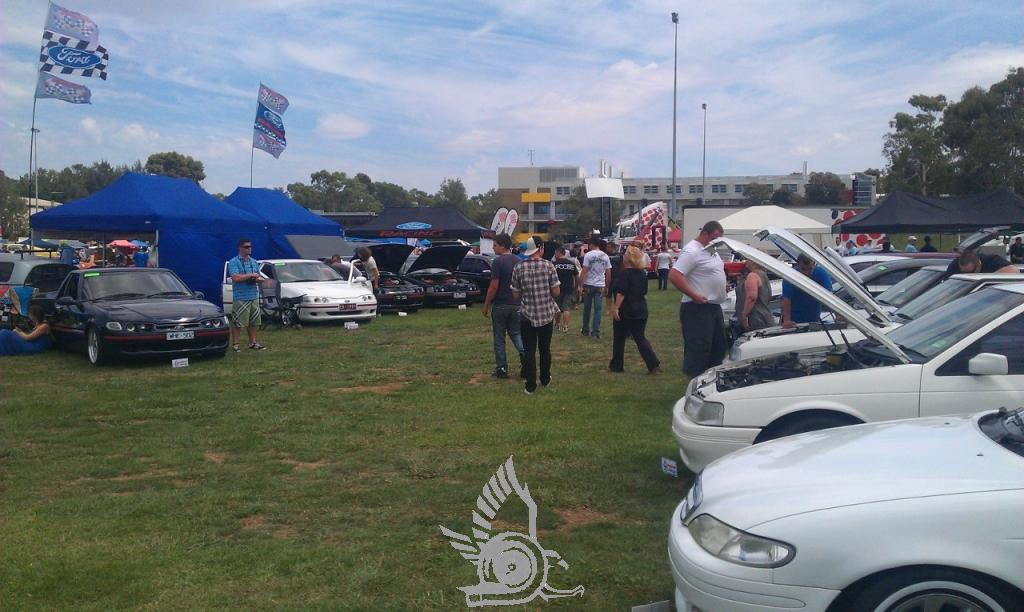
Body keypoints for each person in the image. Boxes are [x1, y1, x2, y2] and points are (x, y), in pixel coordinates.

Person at [669, 221, 727, 378]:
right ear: (705, 233)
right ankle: (694, 382)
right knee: (699, 347)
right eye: (714, 238)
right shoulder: (692, 251)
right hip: (697, 307)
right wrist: (694, 295)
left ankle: (711, 380)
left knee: (718, 346)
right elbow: (675, 275)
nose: (716, 242)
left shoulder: (711, 250)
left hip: (713, 306)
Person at [511, 236, 561, 394]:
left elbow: (515, 295)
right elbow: (556, 291)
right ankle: (545, 378)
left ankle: (530, 385)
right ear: (540, 248)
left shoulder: (519, 267)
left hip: (527, 314)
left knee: (529, 350)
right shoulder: (548, 266)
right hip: (545, 313)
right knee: (545, 349)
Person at [609, 246, 660, 374]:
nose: (623, 256)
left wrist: (616, 308)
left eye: (625, 254)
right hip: (641, 308)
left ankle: (617, 365)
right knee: (640, 337)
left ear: (630, 258)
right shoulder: (642, 274)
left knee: (619, 338)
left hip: (626, 309)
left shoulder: (625, 274)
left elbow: (621, 293)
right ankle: (653, 364)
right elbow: (644, 291)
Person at [481, 233, 525, 379]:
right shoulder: (519, 261)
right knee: (517, 334)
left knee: (499, 337)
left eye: (495, 245)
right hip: (517, 304)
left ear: (502, 246)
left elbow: (494, 286)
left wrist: (486, 304)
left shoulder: (498, 262)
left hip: (501, 304)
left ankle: (502, 368)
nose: (493, 248)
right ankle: (525, 358)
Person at [227, 237, 266, 352]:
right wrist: (250, 275)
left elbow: (258, 276)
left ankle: (253, 343)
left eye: (250, 246)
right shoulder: (234, 262)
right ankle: (235, 344)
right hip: (240, 296)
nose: (249, 249)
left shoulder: (253, 261)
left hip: (253, 295)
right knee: (238, 322)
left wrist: (258, 279)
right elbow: (235, 277)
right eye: (246, 247)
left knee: (254, 321)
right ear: (240, 248)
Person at [782, 253, 833, 328]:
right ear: (797, 265)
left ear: (814, 265)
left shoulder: (821, 273)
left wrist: (839, 314)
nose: (806, 273)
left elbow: (830, 296)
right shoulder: (791, 276)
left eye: (809, 269)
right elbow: (786, 299)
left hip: (814, 320)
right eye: (803, 269)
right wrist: (786, 321)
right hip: (794, 322)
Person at [577, 237, 611, 339]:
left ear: (592, 244)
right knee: (598, 309)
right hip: (600, 285)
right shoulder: (605, 256)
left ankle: (585, 330)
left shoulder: (588, 255)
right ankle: (595, 332)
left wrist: (580, 285)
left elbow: (584, 271)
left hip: (588, 284)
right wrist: (607, 286)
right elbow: (608, 272)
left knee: (587, 308)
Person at [736, 259, 774, 332]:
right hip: (765, 316)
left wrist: (744, 316)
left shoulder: (752, 275)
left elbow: (751, 297)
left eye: (748, 259)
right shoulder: (763, 275)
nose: (746, 261)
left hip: (755, 318)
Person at [552, 246, 578, 333]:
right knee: (567, 308)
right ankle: (565, 327)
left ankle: (557, 324)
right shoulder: (571, 263)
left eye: (555, 253)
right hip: (569, 288)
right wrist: (576, 287)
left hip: (557, 288)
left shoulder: (554, 264)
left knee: (557, 308)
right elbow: (576, 276)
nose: (555, 254)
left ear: (559, 252)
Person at [945, 250, 1019, 277]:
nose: (966, 275)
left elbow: (1014, 270)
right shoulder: (954, 265)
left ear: (978, 265)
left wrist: (987, 278)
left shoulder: (991, 260)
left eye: (970, 272)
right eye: (962, 272)